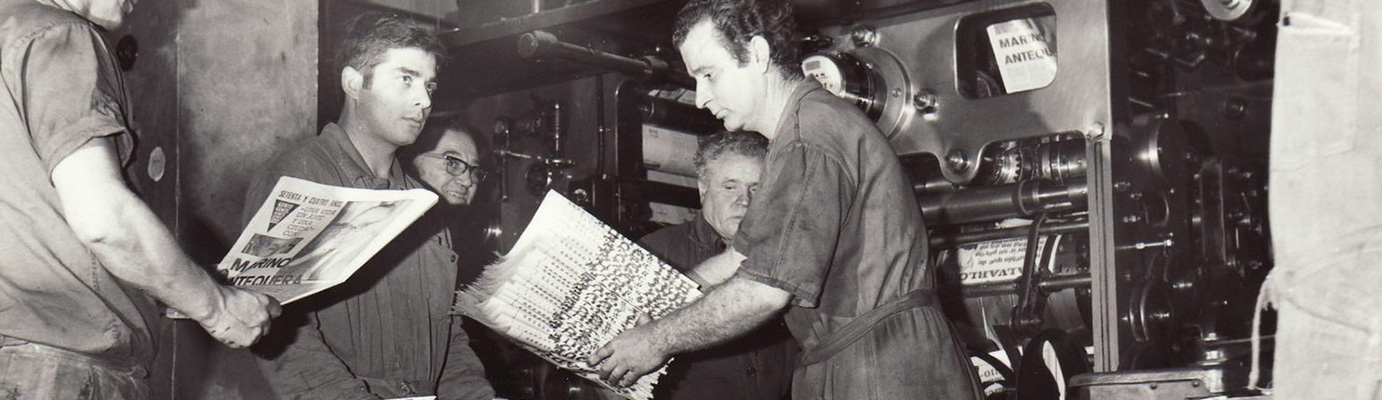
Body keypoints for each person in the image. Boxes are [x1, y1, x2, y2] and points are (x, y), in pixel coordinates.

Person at [588, 1, 984, 399]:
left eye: (709, 74)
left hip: (882, 364)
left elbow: (764, 291)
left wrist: (656, 340)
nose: (701, 97)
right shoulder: (802, 130)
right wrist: (651, 304)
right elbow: (740, 259)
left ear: (758, 54)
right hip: (867, 358)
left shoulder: (808, 137)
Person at [0, 0, 281, 398]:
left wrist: (179, 280)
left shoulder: (11, 32)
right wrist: (218, 307)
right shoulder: (61, 35)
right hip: (57, 372)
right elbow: (103, 220)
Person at [244, 12, 493, 400]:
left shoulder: (425, 208)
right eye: (406, 79)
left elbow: (448, 338)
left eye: (429, 85)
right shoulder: (300, 175)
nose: (425, 100)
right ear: (354, 83)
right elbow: (281, 338)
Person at [637, 131, 797, 400]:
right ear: (703, 189)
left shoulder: (790, 255)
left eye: (756, 189)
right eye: (730, 187)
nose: (744, 201)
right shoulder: (655, 253)